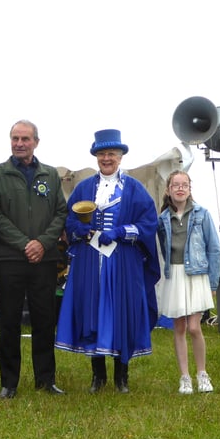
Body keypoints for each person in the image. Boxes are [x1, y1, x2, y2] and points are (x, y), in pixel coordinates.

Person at [55, 129, 160, 393]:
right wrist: (79, 230)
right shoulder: (84, 187)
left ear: (121, 157)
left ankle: (121, 377)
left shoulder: (135, 189)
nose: (106, 158)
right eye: (102, 153)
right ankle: (97, 376)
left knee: (120, 312)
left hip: (122, 261)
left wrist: (122, 232)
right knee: (92, 310)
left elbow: (149, 224)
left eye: (111, 153)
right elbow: (69, 220)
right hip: (90, 260)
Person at [0, 120, 68, 398]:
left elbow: (61, 213)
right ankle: (9, 382)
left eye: (25, 139)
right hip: (9, 260)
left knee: (44, 320)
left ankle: (46, 379)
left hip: (44, 261)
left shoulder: (50, 176)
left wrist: (42, 244)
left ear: (36, 142)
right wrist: (24, 244)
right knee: (8, 321)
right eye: (15, 138)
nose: (19, 143)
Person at [156, 170, 220, 395]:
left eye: (184, 184)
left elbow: (214, 248)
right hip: (174, 276)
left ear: (190, 188)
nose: (180, 188)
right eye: (176, 185)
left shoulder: (202, 214)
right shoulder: (163, 218)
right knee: (180, 327)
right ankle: (184, 377)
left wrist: (213, 282)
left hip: (197, 275)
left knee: (195, 327)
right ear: (169, 190)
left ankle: (202, 373)